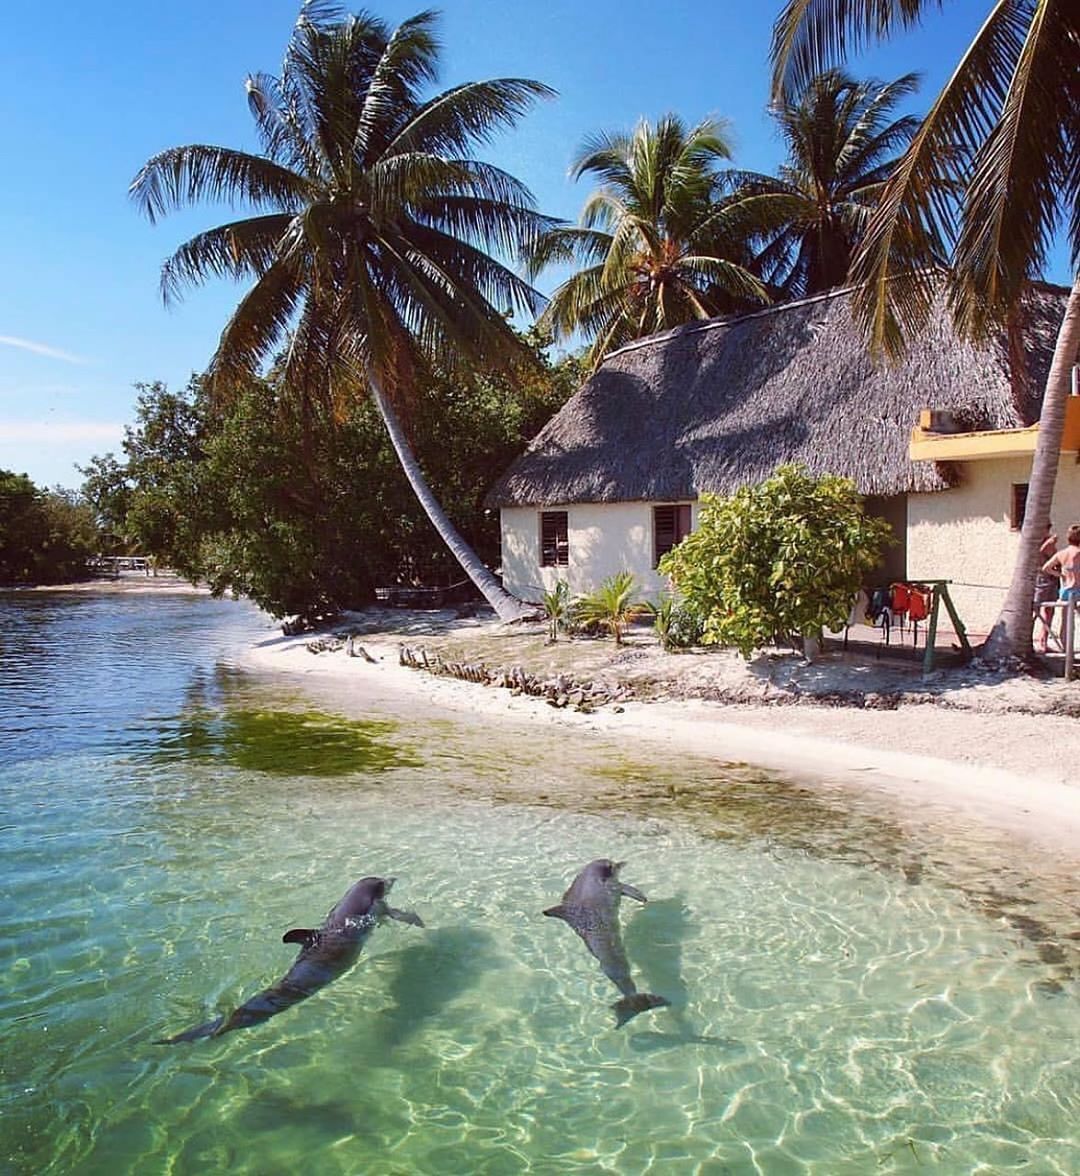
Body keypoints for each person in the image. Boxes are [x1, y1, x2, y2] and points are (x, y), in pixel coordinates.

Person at [1042, 523, 1080, 650]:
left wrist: (1060, 575)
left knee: (1066, 622)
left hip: (1066, 590)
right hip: (1078, 590)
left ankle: (1066, 648)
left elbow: (1046, 567)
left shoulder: (1062, 554)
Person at [1033, 524, 1059, 652]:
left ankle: (1043, 639)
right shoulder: (1034, 540)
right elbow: (1036, 556)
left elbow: (1054, 558)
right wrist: (1046, 546)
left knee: (1050, 610)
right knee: (1034, 609)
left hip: (1051, 579)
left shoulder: (1049, 541)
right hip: (1040, 578)